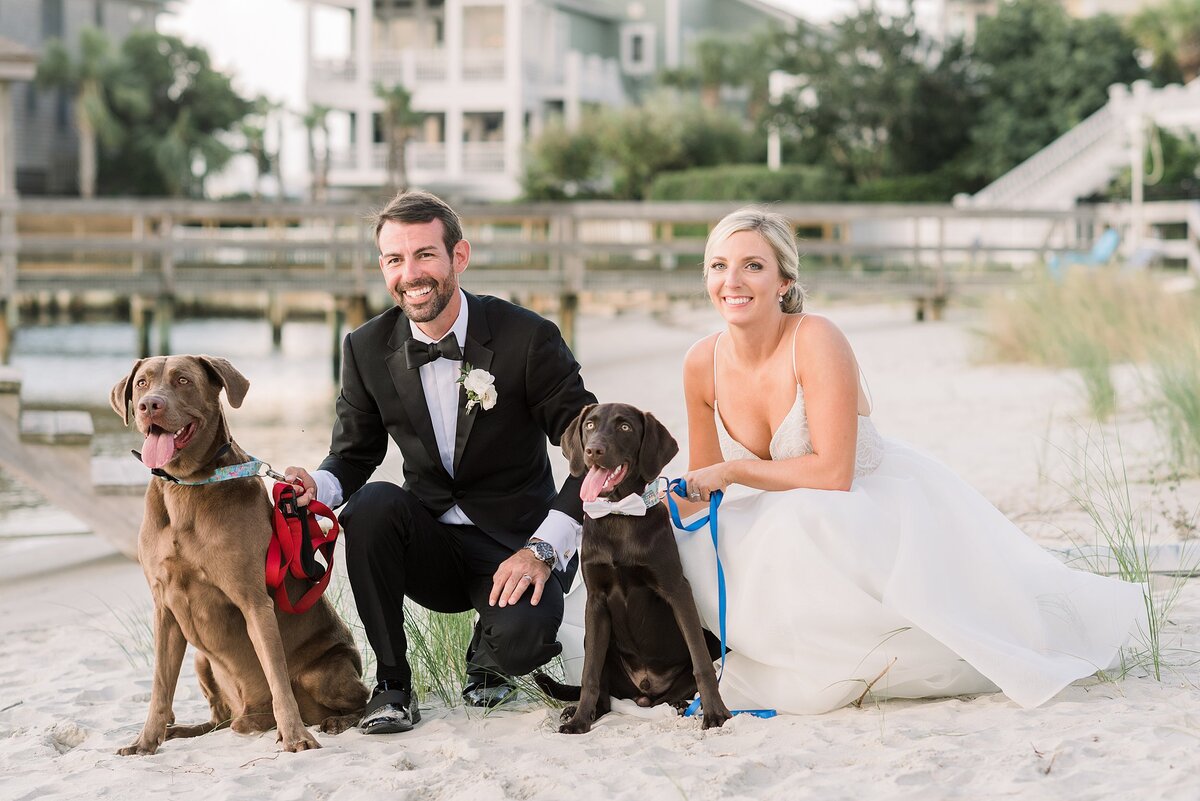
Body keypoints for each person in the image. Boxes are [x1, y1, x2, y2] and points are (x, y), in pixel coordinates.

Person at [670, 207, 1144, 714]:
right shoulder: (701, 361)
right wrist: (661, 498)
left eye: (753, 266)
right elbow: (706, 494)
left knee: (800, 521)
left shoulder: (815, 338)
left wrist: (737, 471)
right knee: (686, 539)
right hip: (794, 510)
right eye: (718, 266)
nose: (732, 281)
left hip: (870, 503)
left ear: (784, 280)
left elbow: (833, 474)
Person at [285, 190, 596, 734]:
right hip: (428, 543)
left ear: (460, 256)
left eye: (425, 254)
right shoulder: (364, 347)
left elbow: (590, 455)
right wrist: (319, 484)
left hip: (515, 546)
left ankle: (488, 653)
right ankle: (392, 685)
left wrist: (544, 550)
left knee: (523, 644)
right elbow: (354, 453)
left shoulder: (527, 338)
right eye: (395, 260)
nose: (411, 273)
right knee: (371, 506)